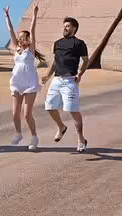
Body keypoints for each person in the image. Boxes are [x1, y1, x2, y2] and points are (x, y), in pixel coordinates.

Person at [41, 16, 89, 152]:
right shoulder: (57, 43)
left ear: (74, 28)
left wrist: (80, 74)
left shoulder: (79, 44)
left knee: (73, 111)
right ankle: (62, 127)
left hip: (70, 81)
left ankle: (81, 139)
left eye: (67, 26)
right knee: (49, 106)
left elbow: (86, 61)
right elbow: (55, 62)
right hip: (56, 79)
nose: (64, 28)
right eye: (64, 26)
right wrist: (48, 76)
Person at [3, 4, 45, 151]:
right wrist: (7, 16)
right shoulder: (16, 48)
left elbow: (33, 29)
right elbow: (10, 32)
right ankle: (18, 134)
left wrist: (34, 14)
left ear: (27, 38)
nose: (19, 39)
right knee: (15, 113)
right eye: (19, 37)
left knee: (27, 114)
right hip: (17, 81)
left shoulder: (31, 49)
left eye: (22, 37)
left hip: (30, 82)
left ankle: (34, 137)